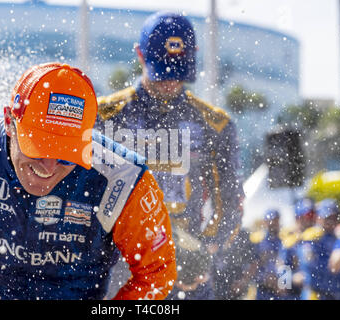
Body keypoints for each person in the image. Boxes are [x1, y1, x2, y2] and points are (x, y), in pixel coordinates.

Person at [0, 62, 177, 300]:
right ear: (9, 122)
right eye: (38, 149)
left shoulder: (123, 180)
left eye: (65, 156)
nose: (49, 168)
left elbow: (157, 273)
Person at [96, 11, 244, 299]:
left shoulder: (216, 124)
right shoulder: (103, 117)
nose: (170, 82)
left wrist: (206, 249)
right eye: (162, 71)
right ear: (140, 55)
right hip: (119, 261)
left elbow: (231, 198)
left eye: (179, 71)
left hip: (187, 262)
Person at [299, 198, 340, 300]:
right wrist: (287, 284)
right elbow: (312, 266)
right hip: (315, 295)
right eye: (328, 217)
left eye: (334, 217)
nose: (331, 221)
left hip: (337, 295)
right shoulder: (312, 238)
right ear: (319, 218)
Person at [252, 209, 283, 300]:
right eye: (270, 221)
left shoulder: (284, 240)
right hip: (262, 290)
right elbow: (253, 266)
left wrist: (283, 284)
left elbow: (287, 263)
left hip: (280, 291)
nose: (272, 223)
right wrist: (265, 278)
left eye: (275, 220)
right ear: (265, 222)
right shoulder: (257, 241)